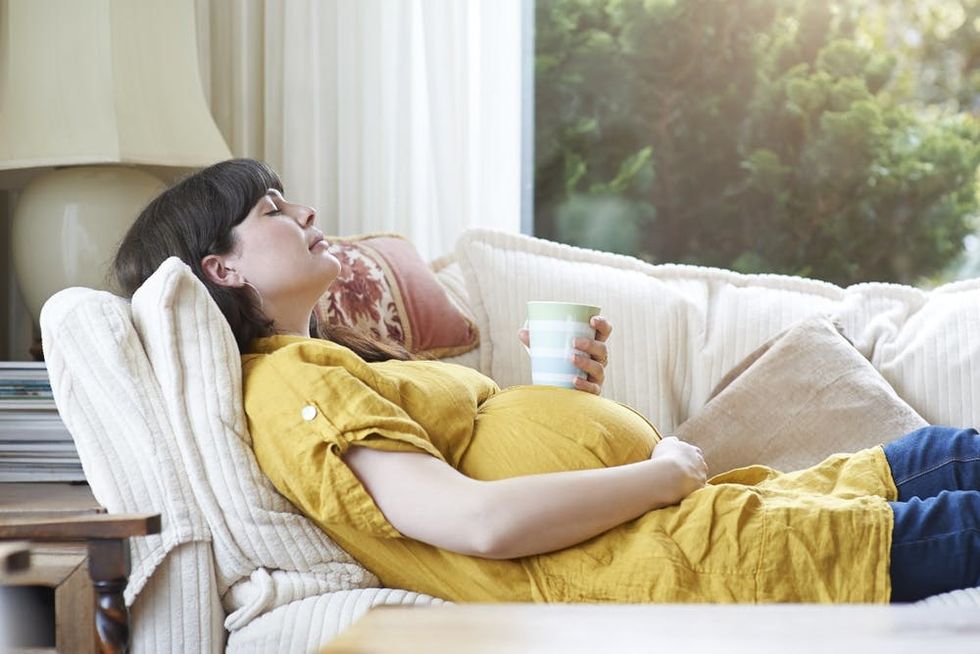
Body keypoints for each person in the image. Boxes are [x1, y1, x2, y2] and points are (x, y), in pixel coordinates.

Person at [113, 158, 980, 604]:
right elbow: (475, 522)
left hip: (707, 518)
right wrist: (664, 470)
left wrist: (568, 402)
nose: (304, 213)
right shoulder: (286, 385)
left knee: (949, 453)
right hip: (685, 559)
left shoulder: (334, 362)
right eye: (271, 210)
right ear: (220, 271)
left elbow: (499, 473)